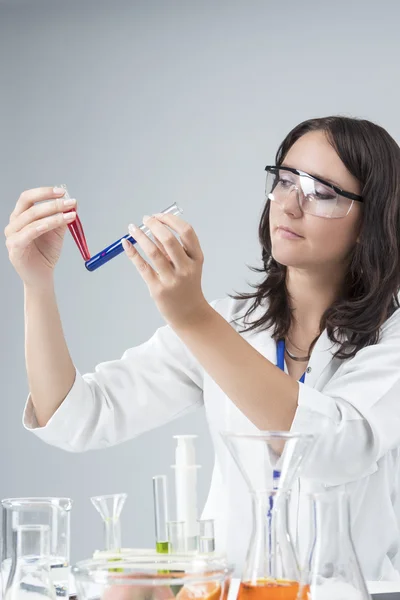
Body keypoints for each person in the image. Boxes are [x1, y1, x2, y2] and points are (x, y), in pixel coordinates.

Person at [5, 116, 400, 580]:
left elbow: (335, 450)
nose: (290, 205)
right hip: (238, 591)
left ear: (371, 219)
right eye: (286, 180)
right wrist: (37, 283)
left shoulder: (390, 337)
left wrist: (193, 318)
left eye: (322, 192)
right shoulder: (231, 324)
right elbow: (77, 418)